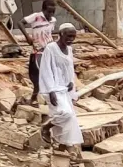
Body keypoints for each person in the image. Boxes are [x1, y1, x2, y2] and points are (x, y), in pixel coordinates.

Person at [39, 23, 83, 151]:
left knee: (70, 122)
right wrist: (51, 90)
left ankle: (62, 149)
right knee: (66, 114)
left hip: (65, 89)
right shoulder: (50, 48)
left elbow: (69, 68)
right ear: (61, 34)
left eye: (73, 37)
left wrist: (71, 84)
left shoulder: (69, 49)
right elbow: (46, 69)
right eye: (68, 36)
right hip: (54, 88)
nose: (71, 39)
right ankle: (47, 126)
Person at [18, 0, 57, 103]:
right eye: (49, 11)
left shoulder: (53, 20)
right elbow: (20, 23)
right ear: (43, 10)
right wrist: (27, 37)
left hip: (48, 50)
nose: (51, 14)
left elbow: (49, 34)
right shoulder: (36, 17)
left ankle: (44, 98)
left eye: (53, 12)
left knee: (46, 74)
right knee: (34, 75)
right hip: (37, 51)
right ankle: (35, 98)